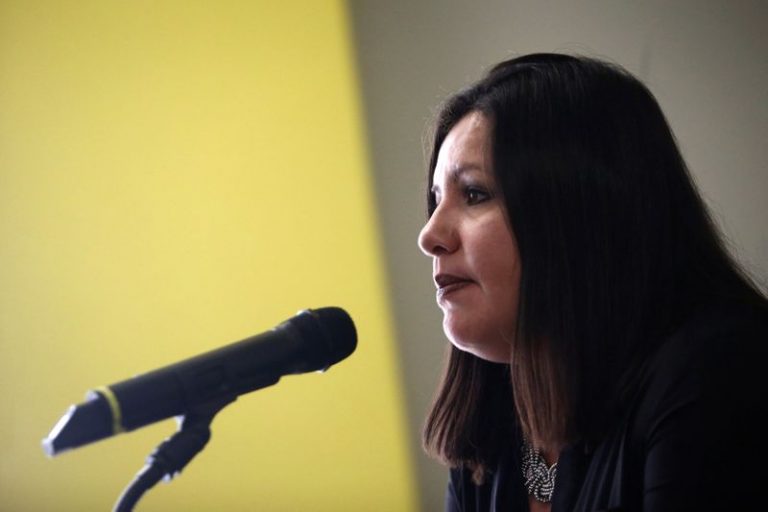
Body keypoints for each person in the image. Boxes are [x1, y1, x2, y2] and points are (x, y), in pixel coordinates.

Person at [417, 53, 768, 512]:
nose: (430, 237)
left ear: (579, 215)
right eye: (436, 200)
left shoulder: (717, 370)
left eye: (475, 194)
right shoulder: (489, 429)